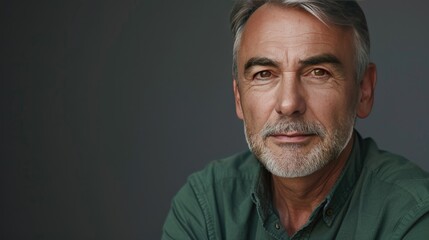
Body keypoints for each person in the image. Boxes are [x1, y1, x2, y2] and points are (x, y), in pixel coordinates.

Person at [162, 0, 429, 239]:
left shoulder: (413, 214)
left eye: (318, 72)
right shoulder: (208, 206)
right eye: (264, 74)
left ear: (364, 90)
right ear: (238, 98)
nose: (289, 104)